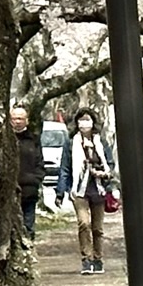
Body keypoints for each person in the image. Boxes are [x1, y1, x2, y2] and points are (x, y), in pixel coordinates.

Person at [55, 108, 117, 275]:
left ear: (93, 122)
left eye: (87, 120)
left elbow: (110, 164)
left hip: (98, 189)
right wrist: (60, 192)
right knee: (84, 223)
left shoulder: (101, 142)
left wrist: (102, 173)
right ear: (77, 123)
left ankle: (98, 258)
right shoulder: (71, 143)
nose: (84, 124)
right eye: (81, 120)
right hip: (79, 190)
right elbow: (65, 168)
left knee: (97, 228)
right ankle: (86, 259)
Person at [10, 106, 43, 239]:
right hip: (9, 190)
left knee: (28, 226)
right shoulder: (5, 139)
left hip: (29, 189)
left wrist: (37, 179)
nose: (17, 121)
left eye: (20, 118)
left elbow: (40, 161)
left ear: (26, 121)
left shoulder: (33, 139)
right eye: (14, 118)